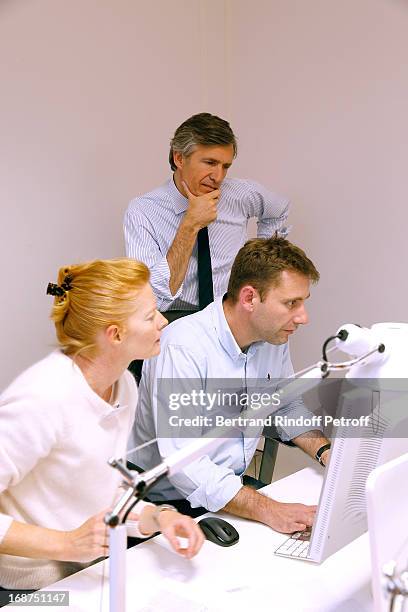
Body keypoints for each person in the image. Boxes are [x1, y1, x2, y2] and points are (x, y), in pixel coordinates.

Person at [0, 259, 204, 592]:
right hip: (26, 591)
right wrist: (66, 543)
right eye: (151, 316)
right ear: (115, 334)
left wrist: (160, 516)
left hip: (86, 569)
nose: (163, 322)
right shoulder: (42, 398)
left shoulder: (123, 384)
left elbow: (105, 489)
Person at [129, 237, 331, 534]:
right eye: (291, 303)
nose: (303, 317)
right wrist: (267, 508)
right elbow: (184, 464)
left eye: (303, 302)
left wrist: (326, 452)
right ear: (250, 298)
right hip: (165, 504)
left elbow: (285, 405)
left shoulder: (272, 336)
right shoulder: (184, 347)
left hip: (227, 487)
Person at [124, 112, 290, 318]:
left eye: (225, 166)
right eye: (210, 163)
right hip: (176, 319)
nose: (218, 177)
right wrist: (190, 225)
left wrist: (260, 270)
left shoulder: (240, 194)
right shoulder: (143, 211)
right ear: (179, 158)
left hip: (232, 314)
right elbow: (153, 297)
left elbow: (279, 209)